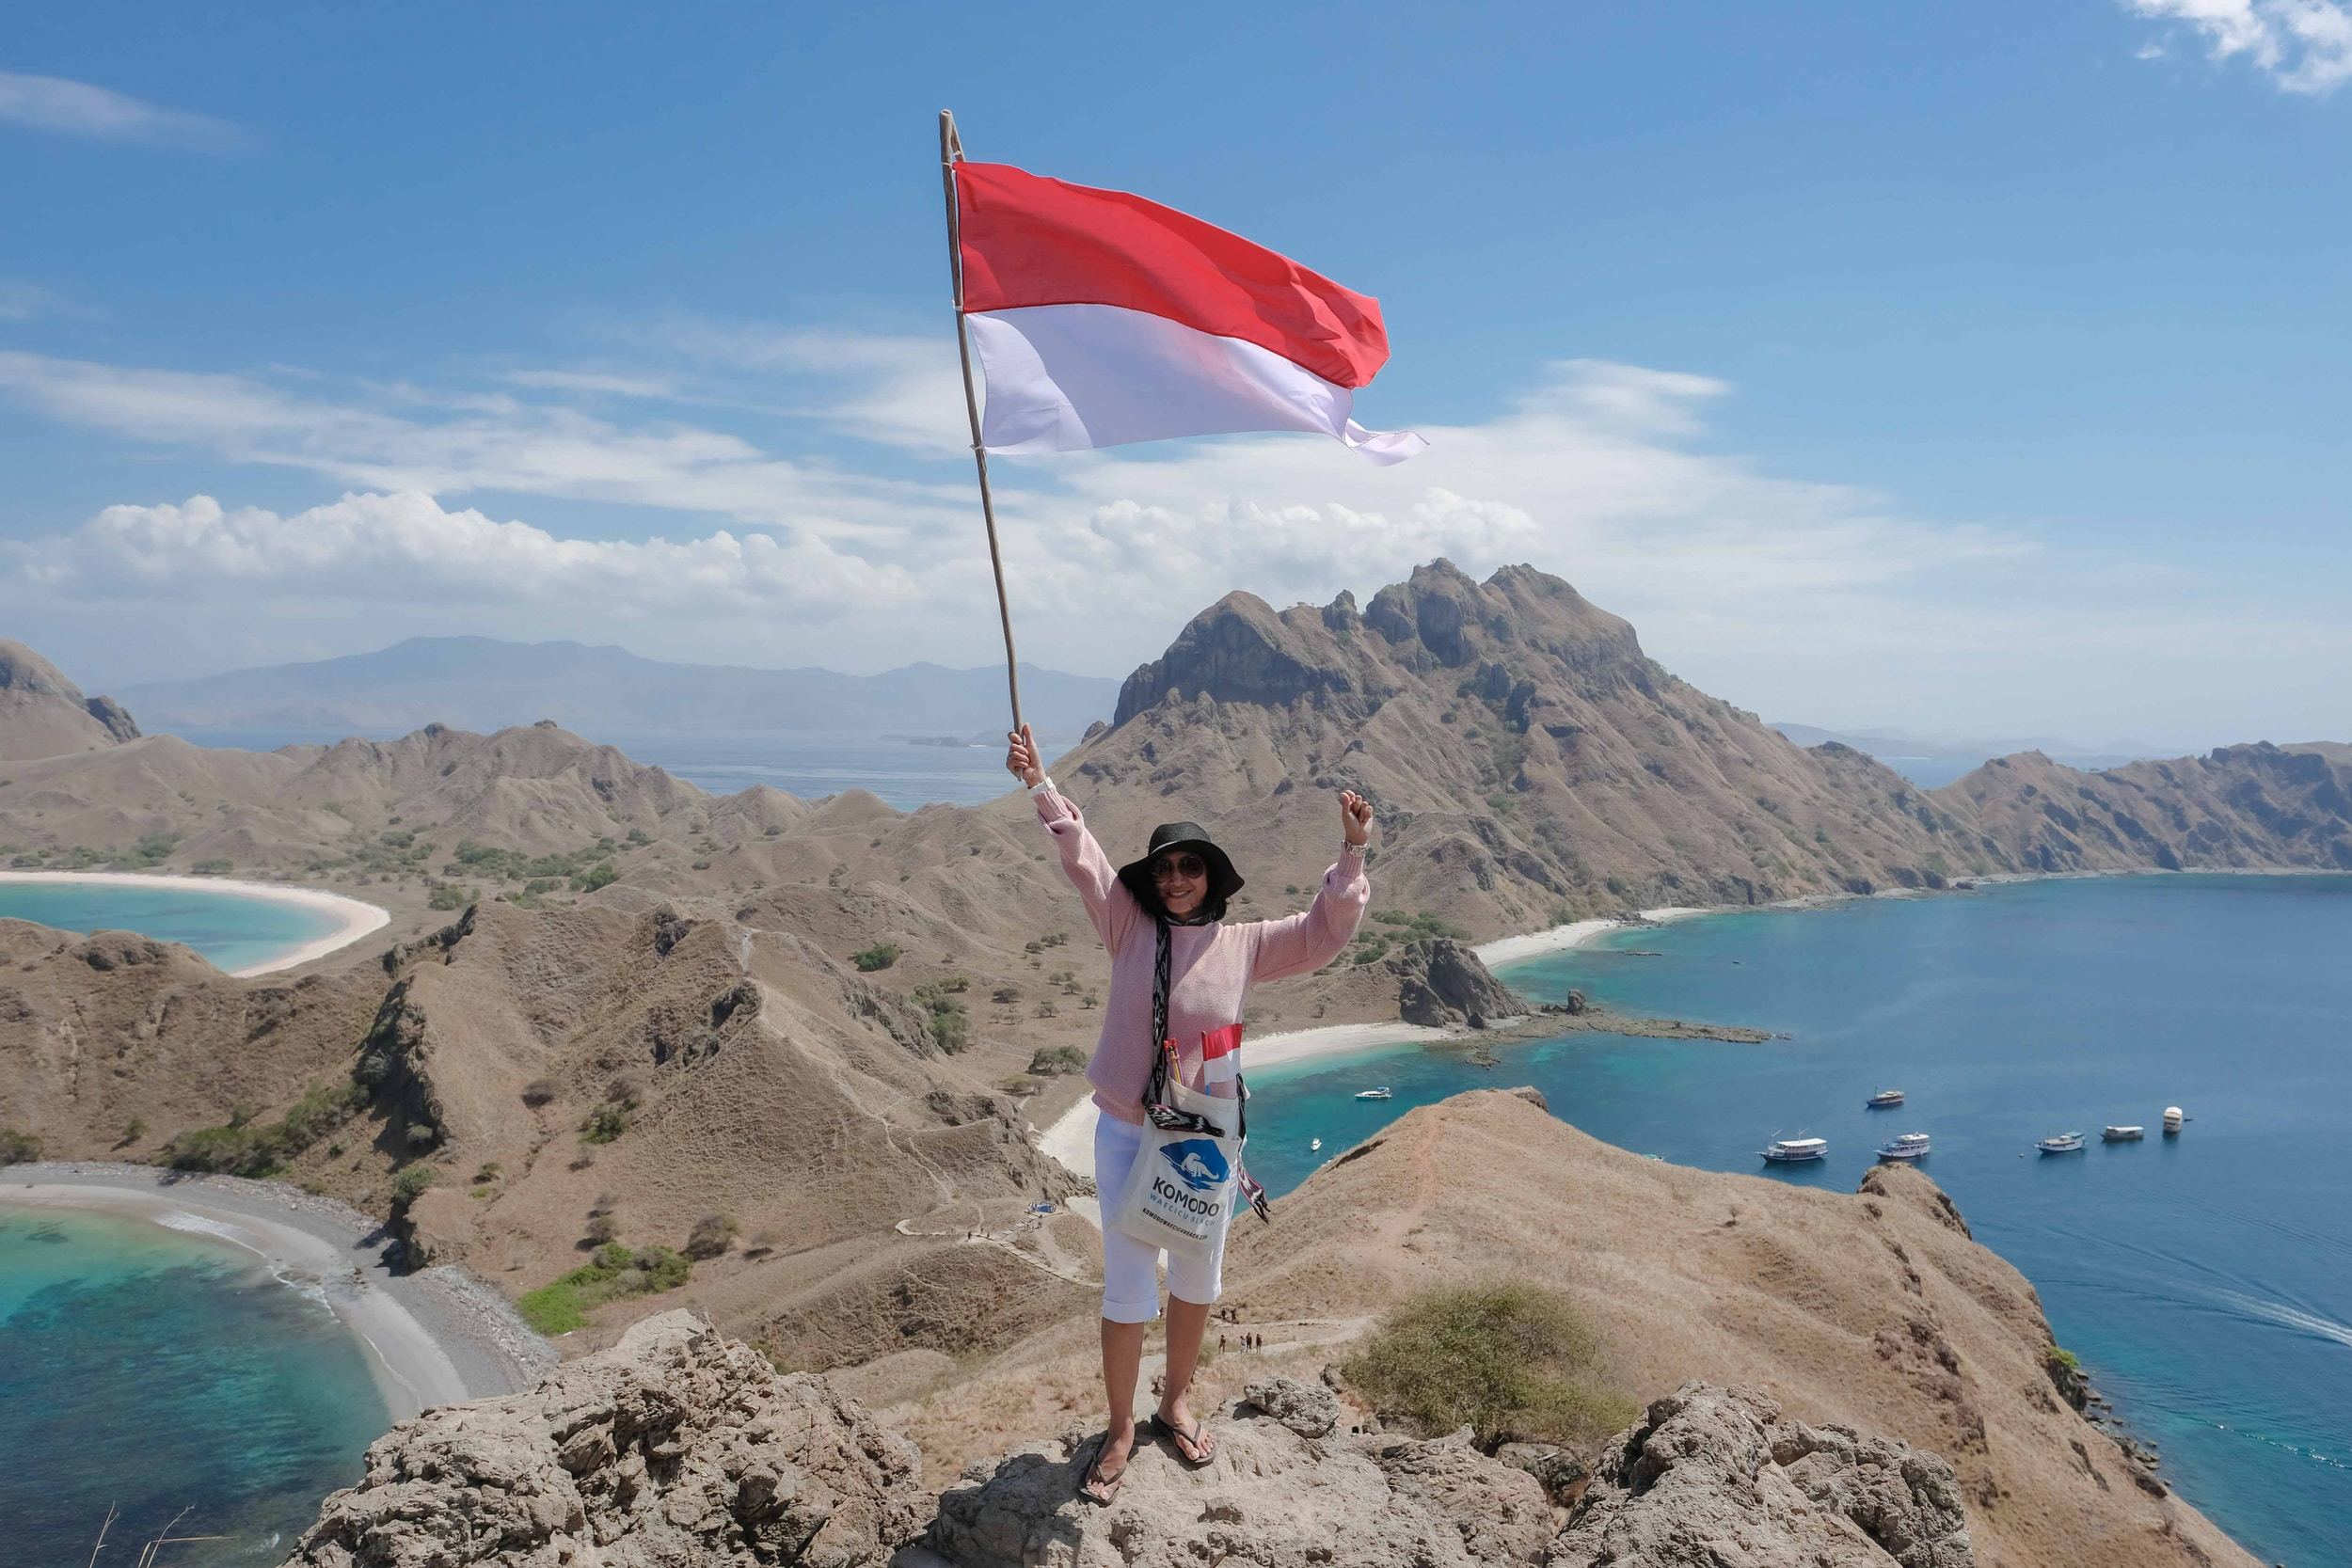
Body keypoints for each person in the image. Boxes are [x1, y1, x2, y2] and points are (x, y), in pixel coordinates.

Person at [1006, 722, 1373, 1504]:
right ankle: (1118, 1427)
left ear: (1211, 877)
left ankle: (1174, 1400)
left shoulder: (1243, 944)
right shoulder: (1128, 924)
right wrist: (1041, 785)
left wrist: (1352, 852)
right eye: (1165, 867)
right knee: (1129, 1283)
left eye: (1189, 867)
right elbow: (1085, 860)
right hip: (1128, 1133)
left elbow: (1322, 932)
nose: (1175, 878)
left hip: (1202, 1139)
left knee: (1198, 1278)